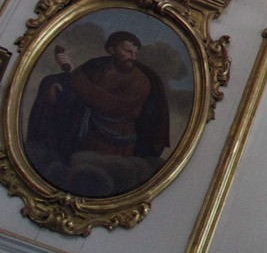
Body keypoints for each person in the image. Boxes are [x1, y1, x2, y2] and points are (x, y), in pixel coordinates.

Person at [26, 30, 170, 171]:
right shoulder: (97, 66)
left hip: (118, 139)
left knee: (105, 171)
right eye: (127, 51)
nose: (132, 57)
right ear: (112, 50)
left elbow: (105, 102)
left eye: (135, 53)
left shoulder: (141, 80)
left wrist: (73, 73)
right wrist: (57, 83)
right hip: (88, 133)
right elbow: (76, 85)